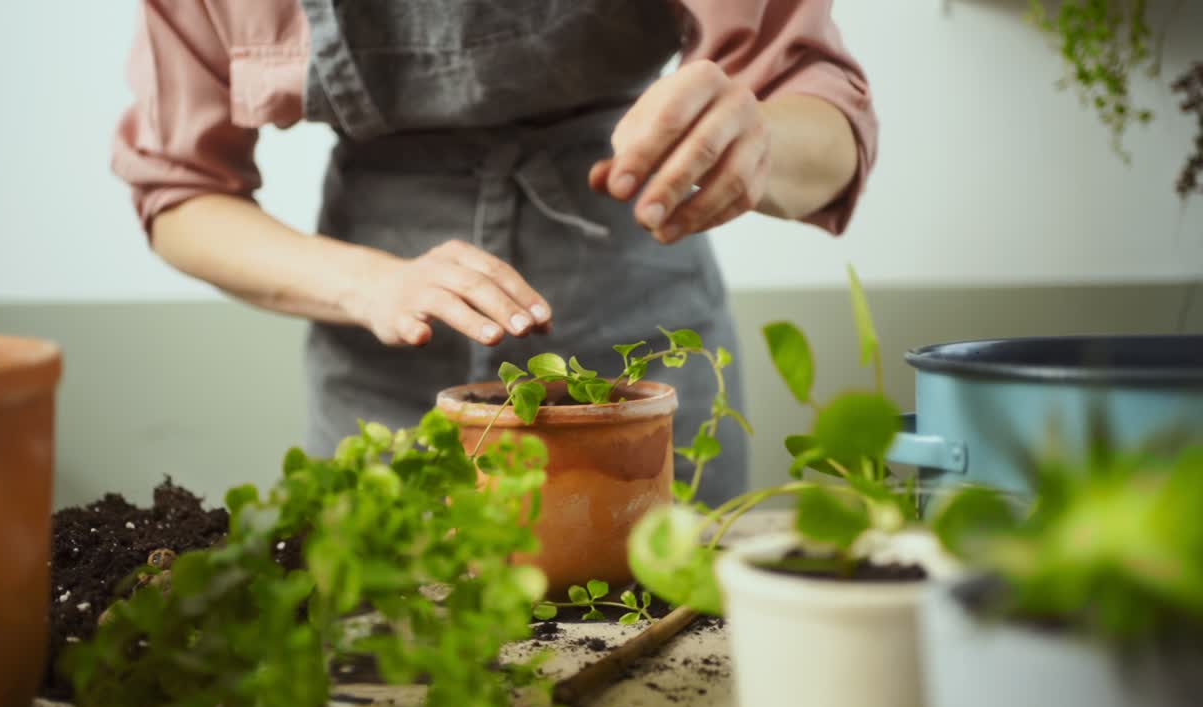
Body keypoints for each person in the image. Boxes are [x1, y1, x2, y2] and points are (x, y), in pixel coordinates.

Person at [112, 1, 878, 508]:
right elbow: (179, 192)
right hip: (378, 374)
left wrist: (758, 139)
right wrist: (367, 283)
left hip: (640, 326)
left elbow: (829, 121)